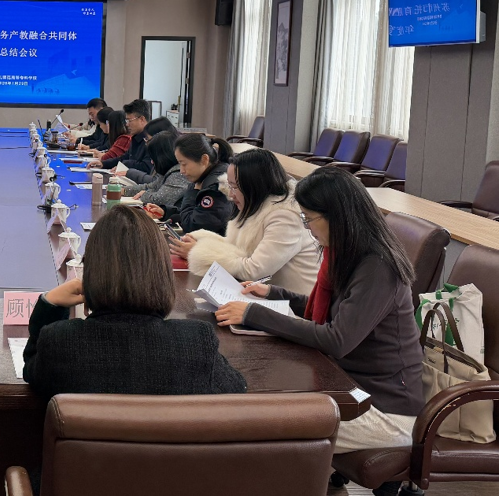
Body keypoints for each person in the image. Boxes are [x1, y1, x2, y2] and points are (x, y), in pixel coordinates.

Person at [215, 167, 423, 459]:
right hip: (348, 387)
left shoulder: (378, 267)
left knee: (261, 426)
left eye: (309, 218)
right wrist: (274, 294)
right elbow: (334, 310)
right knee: (258, 410)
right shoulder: (348, 251)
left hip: (384, 411)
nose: (308, 228)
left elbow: (337, 339)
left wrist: (254, 315)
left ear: (337, 217)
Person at [23, 205, 246, 399]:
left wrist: (49, 304)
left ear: (91, 271)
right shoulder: (197, 342)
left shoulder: (60, 342)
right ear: (162, 272)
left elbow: (32, 371)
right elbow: (236, 387)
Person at [173, 149, 320, 297]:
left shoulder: (285, 216)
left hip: (293, 303)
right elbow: (238, 248)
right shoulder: (255, 203)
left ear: (255, 185)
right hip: (263, 294)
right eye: (229, 186)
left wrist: (198, 252)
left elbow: (254, 270)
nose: (231, 195)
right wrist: (202, 241)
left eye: (235, 187)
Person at [145, 133, 235, 236]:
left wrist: (193, 191)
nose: (181, 171)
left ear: (204, 160)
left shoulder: (216, 188)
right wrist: (166, 212)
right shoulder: (204, 177)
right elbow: (196, 213)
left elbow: (192, 226)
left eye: (184, 164)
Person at [122, 132, 188, 208]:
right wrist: (124, 190)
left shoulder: (178, 174)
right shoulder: (169, 171)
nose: (152, 162)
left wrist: (144, 194)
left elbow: (160, 199)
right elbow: (152, 187)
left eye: (154, 158)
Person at [97, 99, 152, 172]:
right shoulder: (136, 137)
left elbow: (146, 167)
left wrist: (124, 164)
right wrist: (103, 164)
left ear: (142, 119)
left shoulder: (152, 140)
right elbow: (125, 157)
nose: (127, 124)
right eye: (126, 121)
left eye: (129, 120)